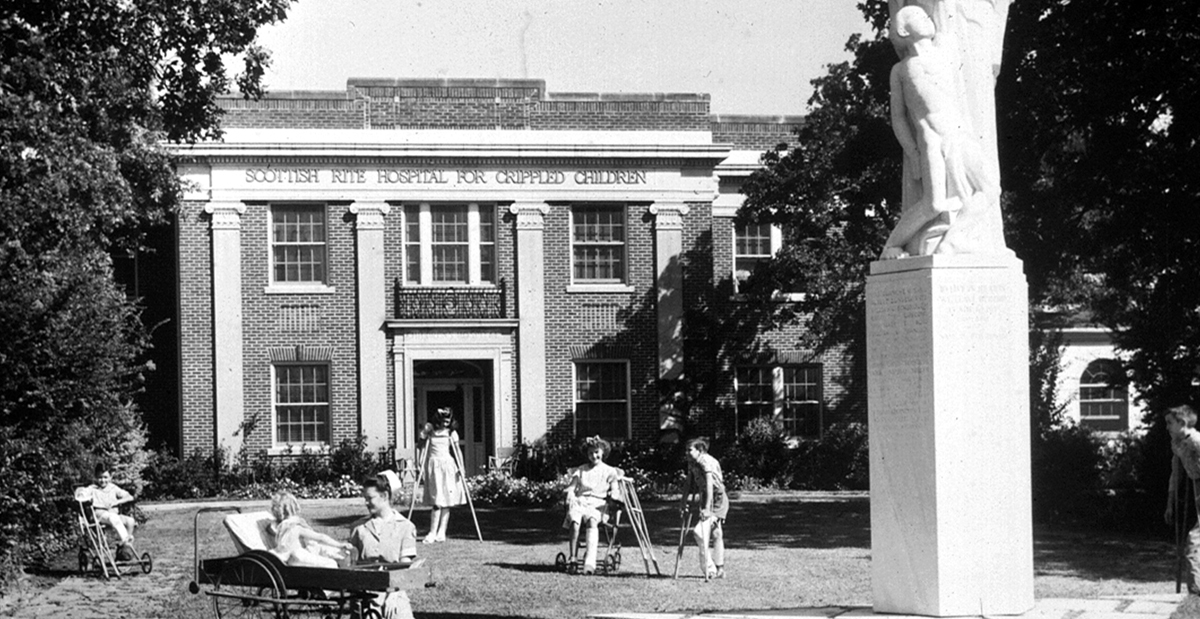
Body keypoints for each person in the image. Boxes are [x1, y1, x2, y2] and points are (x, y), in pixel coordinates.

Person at [880, 3, 999, 259]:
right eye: (917, 16)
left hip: (959, 135)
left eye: (925, 14)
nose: (925, 18)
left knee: (990, 189)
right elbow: (898, 117)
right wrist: (912, 152)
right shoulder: (901, 70)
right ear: (903, 30)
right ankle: (891, 245)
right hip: (930, 140)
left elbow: (949, 12)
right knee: (933, 204)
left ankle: (953, 241)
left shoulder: (945, 49)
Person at [350, 476, 418, 619]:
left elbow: (404, 568)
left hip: (395, 591)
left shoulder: (405, 527)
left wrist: (393, 594)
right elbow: (351, 564)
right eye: (365, 498)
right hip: (365, 594)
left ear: (385, 496)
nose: (366, 503)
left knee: (398, 612)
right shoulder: (359, 527)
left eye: (370, 498)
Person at [561, 436, 620, 575]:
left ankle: (590, 560)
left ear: (603, 452)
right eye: (590, 453)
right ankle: (573, 558)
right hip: (581, 501)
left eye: (596, 452)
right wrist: (569, 492)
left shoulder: (609, 471)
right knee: (575, 522)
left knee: (592, 521)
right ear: (587, 454)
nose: (594, 456)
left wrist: (615, 494)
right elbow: (572, 486)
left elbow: (615, 488)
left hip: (599, 504)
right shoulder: (581, 470)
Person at [680, 437, 728, 580]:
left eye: (690, 450)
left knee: (702, 532)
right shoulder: (692, 462)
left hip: (717, 497)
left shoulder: (706, 461)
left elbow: (709, 483)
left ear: (699, 450)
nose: (687, 454)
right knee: (716, 533)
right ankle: (718, 569)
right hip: (706, 495)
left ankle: (713, 569)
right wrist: (683, 501)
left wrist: (707, 508)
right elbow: (689, 482)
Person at [1165, 405, 1200, 595]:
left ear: (1182, 423)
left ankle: (1196, 585)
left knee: (1195, 537)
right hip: (1197, 485)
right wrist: (1170, 504)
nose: (1167, 427)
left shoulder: (1196, 440)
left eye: (1170, 423)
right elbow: (1176, 474)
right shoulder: (1177, 444)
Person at [268, 491, 353, 568]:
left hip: (289, 557)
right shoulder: (296, 526)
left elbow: (271, 530)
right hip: (297, 557)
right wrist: (339, 544)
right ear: (294, 507)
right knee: (331, 563)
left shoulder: (279, 526)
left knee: (326, 553)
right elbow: (320, 537)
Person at [419, 407, 466, 543]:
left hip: (448, 466)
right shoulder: (430, 430)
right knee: (437, 500)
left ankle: (441, 532)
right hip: (434, 466)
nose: (446, 424)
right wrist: (420, 463)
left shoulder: (451, 432)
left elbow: (457, 450)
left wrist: (461, 468)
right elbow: (421, 446)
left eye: (448, 421)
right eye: (444, 421)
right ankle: (432, 532)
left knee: (447, 499)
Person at [83, 463, 137, 549]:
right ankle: (125, 540)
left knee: (130, 520)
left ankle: (125, 545)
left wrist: (117, 501)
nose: (103, 480)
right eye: (100, 477)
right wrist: (85, 496)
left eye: (105, 477)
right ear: (96, 478)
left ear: (110, 478)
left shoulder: (113, 488)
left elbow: (129, 497)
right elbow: (81, 494)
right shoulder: (92, 488)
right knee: (113, 518)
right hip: (100, 515)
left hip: (114, 514)